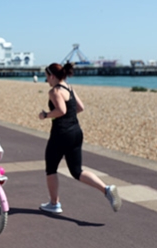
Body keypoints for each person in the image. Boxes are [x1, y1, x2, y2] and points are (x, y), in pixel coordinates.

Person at [38, 62, 122, 214]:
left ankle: (54, 204)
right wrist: (69, 116)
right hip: (76, 132)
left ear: (52, 76)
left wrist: (45, 115)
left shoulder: (55, 91)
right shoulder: (69, 88)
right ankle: (106, 189)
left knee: (51, 168)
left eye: (46, 77)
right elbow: (80, 107)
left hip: (61, 134)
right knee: (77, 171)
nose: (47, 81)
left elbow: (61, 110)